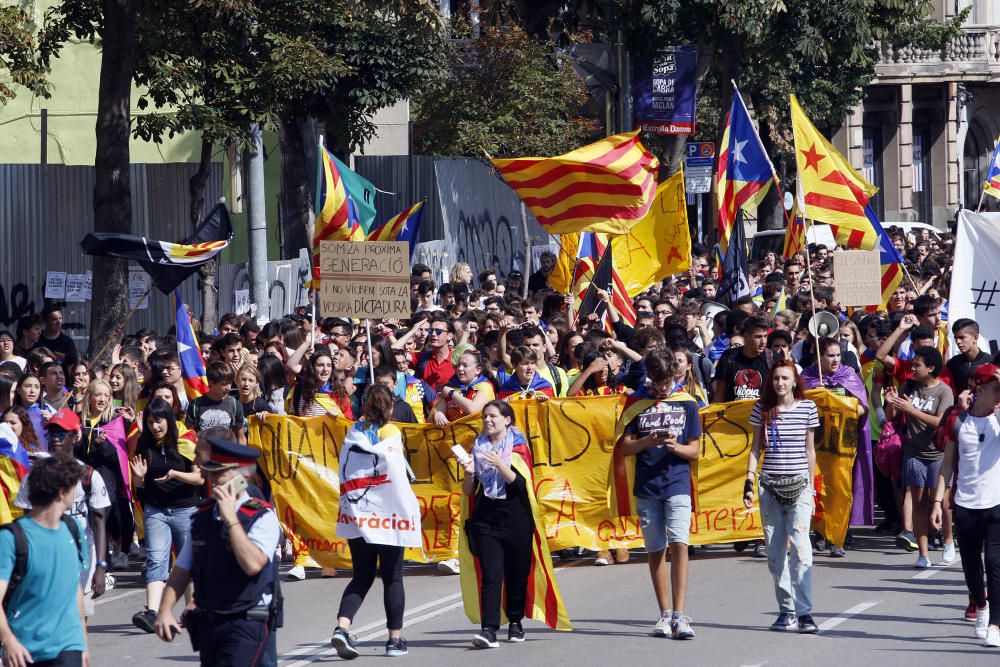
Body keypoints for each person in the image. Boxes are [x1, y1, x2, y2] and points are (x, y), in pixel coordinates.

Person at [154, 438, 282, 666]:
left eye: (218, 475)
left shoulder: (261, 516)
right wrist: (165, 610)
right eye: (210, 474)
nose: (210, 480)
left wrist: (231, 519)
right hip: (210, 621)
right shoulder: (203, 516)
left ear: (240, 477)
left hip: (245, 621)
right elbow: (182, 569)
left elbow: (252, 564)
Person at [459, 400, 569, 648]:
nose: (487, 420)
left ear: (507, 420)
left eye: (493, 416)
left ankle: (516, 622)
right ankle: (488, 630)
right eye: (485, 416)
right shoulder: (478, 447)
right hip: (486, 519)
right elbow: (469, 491)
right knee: (491, 573)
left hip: (516, 518)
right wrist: (468, 472)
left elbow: (519, 485)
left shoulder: (518, 447)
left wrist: (500, 464)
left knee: (517, 574)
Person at [616, 350, 701, 639]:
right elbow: (623, 447)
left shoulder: (687, 403)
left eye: (668, 381)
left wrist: (675, 447)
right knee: (655, 549)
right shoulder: (636, 403)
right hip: (647, 485)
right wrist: (647, 441)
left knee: (679, 543)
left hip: (677, 482)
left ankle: (680, 615)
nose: (663, 387)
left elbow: (695, 451)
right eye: (658, 381)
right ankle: (664, 614)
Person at [331, 385, 420, 659]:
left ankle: (342, 627)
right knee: (392, 576)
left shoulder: (353, 433)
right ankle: (394, 640)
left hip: (360, 517)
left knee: (362, 574)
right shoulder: (391, 432)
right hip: (387, 519)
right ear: (389, 407)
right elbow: (396, 475)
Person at [743, 360, 819, 634]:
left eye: (785, 378)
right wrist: (748, 482)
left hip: (799, 486)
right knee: (776, 553)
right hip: (769, 487)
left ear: (794, 381)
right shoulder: (762, 410)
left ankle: (805, 613)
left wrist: (811, 488)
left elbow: (810, 450)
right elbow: (755, 449)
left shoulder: (807, 408)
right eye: (776, 378)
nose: (780, 383)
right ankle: (786, 610)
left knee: (801, 549)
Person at [14, 408, 110, 622]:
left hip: (82, 558)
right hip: (45, 557)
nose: (55, 438)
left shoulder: (89, 476)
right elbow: (25, 520)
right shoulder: (34, 476)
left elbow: (99, 521)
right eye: (52, 433)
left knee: (78, 619)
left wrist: (101, 567)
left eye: (62, 433)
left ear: (75, 436)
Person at [932, 363, 1000, 647]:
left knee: (995, 562)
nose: (999, 394)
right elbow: (947, 465)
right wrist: (937, 502)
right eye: (995, 389)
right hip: (965, 504)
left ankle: (996, 623)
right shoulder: (958, 421)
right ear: (980, 389)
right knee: (971, 565)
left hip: (996, 503)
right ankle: (981, 605)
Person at [0, 456, 89, 666]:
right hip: (24, 650)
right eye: (74, 486)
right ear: (61, 492)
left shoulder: (73, 529)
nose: (77, 492)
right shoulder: (11, 538)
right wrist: (9, 641)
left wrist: (83, 642)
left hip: (68, 647)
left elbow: (75, 588)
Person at [129, 398, 203, 633]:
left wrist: (174, 474)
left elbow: (200, 478)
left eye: (159, 421)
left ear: (168, 420)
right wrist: (139, 476)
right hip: (156, 510)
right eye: (150, 422)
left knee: (187, 560)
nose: (154, 426)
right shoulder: (144, 443)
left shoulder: (185, 442)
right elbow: (139, 484)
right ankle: (152, 612)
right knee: (156, 559)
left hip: (185, 508)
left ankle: (192, 611)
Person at [799, 337, 871, 557]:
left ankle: (837, 538)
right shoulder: (806, 378)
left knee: (839, 490)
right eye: (830, 355)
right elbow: (796, 407)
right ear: (818, 357)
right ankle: (820, 532)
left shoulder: (848, 375)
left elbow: (862, 408)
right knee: (817, 487)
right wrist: (816, 394)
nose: (836, 359)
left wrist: (837, 404)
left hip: (842, 444)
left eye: (838, 355)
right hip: (816, 443)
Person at [885, 346, 954, 568]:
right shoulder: (909, 386)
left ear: (931, 368)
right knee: (919, 503)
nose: (913, 368)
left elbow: (940, 422)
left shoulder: (944, 391)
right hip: (913, 453)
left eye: (917, 365)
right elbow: (891, 416)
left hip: (938, 454)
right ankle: (923, 555)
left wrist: (911, 410)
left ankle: (948, 541)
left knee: (943, 502)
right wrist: (892, 402)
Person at [187, 361, 248, 444]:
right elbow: (191, 436)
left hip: (227, 453)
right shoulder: (195, 405)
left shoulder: (235, 405)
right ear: (211, 383)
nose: (228, 388)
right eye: (224, 384)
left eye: (230, 383)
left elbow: (240, 436)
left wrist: (241, 456)